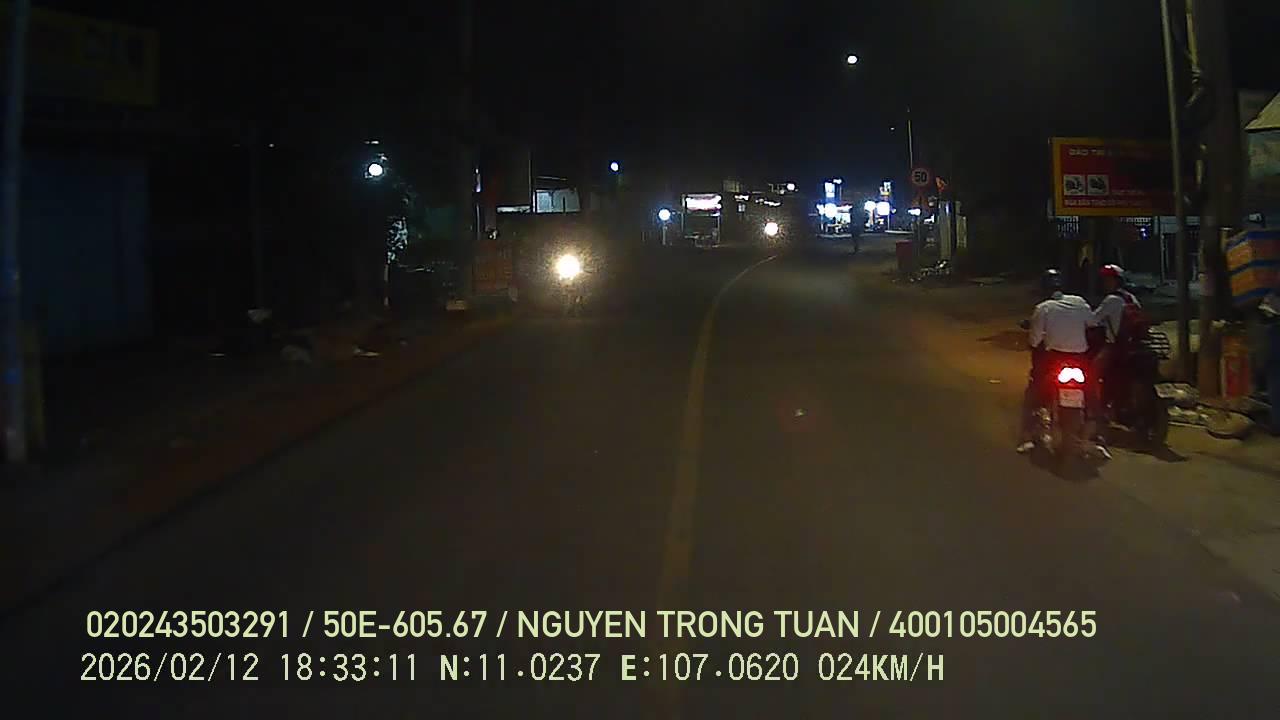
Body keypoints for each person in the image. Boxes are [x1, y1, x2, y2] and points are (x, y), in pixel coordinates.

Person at [1017, 269, 1108, 458]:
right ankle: (1097, 436)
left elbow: (1034, 341)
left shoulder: (1043, 308)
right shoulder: (1079, 302)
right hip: (1080, 359)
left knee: (1035, 391)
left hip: (1054, 359)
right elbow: (1093, 324)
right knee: (1092, 394)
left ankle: (1028, 436)